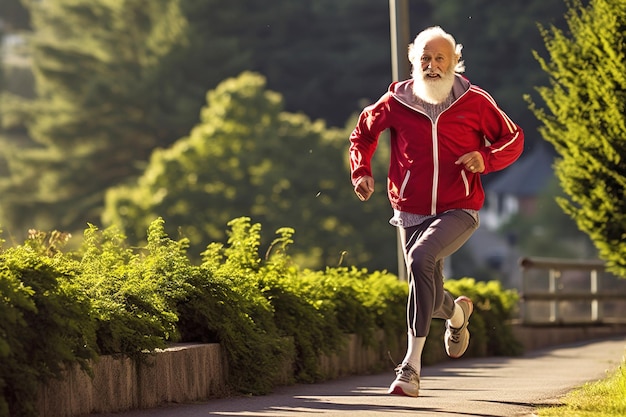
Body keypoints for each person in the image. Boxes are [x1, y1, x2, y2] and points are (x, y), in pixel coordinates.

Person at [348, 26, 524, 397]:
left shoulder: (475, 100)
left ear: (455, 62)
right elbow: (362, 134)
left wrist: (486, 158)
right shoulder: (397, 100)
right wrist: (362, 171)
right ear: (414, 63)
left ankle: (411, 366)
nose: (431, 66)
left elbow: (513, 138)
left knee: (420, 258)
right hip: (410, 208)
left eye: (439, 58)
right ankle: (457, 315)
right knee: (425, 275)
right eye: (424, 59)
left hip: (460, 206)